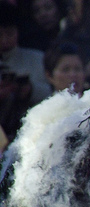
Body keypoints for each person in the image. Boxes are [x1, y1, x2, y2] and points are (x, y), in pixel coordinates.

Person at [0, 2, 51, 142]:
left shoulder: (37, 59)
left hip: (32, 133)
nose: (4, 39)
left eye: (9, 33)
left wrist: (30, 90)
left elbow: (51, 93)